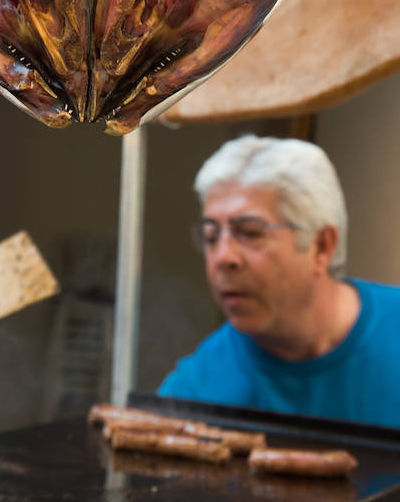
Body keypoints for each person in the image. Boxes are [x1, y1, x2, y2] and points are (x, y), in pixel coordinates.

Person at [158, 134, 400, 428]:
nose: (223, 257)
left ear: (322, 246)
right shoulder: (194, 392)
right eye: (211, 236)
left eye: (249, 232)